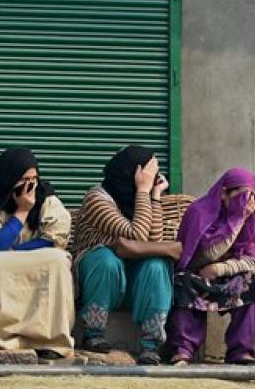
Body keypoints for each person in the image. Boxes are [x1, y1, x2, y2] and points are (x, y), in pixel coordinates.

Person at [0, 147, 75, 359]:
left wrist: (16, 250)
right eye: (24, 179)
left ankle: (50, 339)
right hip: (0, 257)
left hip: (36, 253)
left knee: (58, 260)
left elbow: (52, 239)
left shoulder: (46, 198)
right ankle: (0, 336)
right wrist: (22, 211)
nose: (30, 186)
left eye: (34, 178)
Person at [71, 145, 175, 365]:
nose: (155, 177)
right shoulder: (97, 200)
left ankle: (150, 344)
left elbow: (152, 241)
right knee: (106, 260)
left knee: (156, 265)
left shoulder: (143, 197)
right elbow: (136, 235)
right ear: (134, 174)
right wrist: (144, 192)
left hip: (132, 278)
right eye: (150, 173)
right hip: (101, 277)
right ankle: (93, 333)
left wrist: (154, 195)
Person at [167, 168, 255, 366]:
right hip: (195, 271)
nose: (248, 204)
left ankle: (241, 350)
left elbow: (251, 259)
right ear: (223, 193)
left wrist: (220, 269)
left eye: (251, 197)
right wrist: (236, 220)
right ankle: (183, 349)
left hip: (223, 272)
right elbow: (201, 255)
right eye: (241, 197)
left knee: (252, 285)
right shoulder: (198, 212)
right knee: (183, 283)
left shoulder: (249, 217)